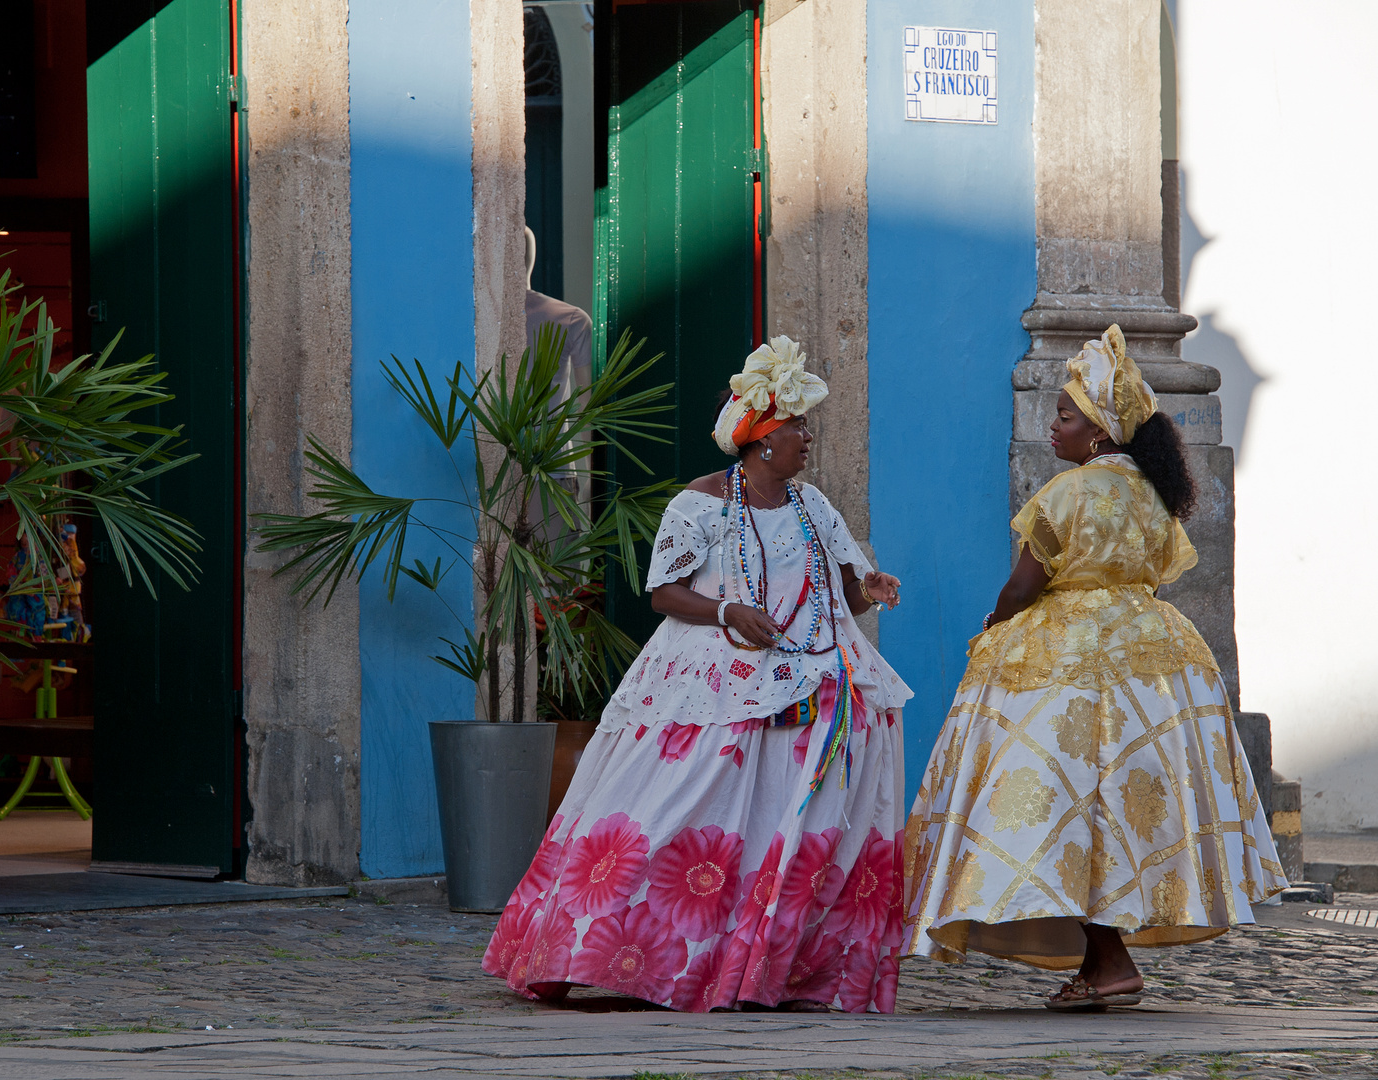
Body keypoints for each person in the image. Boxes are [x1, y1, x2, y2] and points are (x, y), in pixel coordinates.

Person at [482, 336, 915, 1013]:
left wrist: (872, 587)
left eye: (804, 424)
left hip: (809, 682)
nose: (806, 436)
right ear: (758, 438)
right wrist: (726, 611)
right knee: (675, 812)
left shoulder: (813, 506)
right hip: (712, 683)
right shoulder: (700, 502)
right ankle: (593, 949)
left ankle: (772, 967)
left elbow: (845, 590)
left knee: (789, 826)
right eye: (795, 424)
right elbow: (663, 592)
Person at [901, 325, 1286, 1010]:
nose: (1054, 427)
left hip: (1063, 660)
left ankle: (1105, 961)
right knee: (1123, 806)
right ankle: (1105, 958)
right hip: (1155, 658)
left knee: (1055, 803)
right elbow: (1154, 573)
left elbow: (1024, 585)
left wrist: (996, 624)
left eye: (1065, 415)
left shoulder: (1067, 493)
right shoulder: (1153, 494)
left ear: (1100, 430)